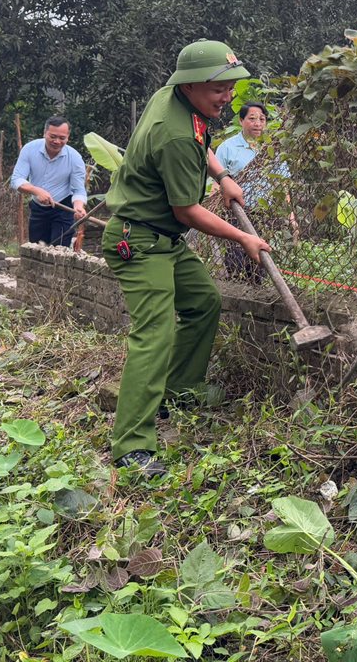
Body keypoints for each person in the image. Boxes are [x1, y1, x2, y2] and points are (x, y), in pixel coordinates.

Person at [101, 40, 271, 479]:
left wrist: (223, 174)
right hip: (138, 241)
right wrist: (243, 239)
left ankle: (177, 393)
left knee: (203, 303)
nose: (228, 97)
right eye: (220, 88)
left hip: (164, 239)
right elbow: (188, 212)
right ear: (193, 83)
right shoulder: (171, 132)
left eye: (232, 87)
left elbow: (202, 142)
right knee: (153, 336)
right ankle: (132, 447)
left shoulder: (178, 98)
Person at [215, 102, 300, 284]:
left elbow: (282, 184)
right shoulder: (227, 148)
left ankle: (256, 291)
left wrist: (290, 215)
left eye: (262, 119)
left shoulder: (271, 149)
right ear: (241, 121)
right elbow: (215, 182)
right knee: (236, 257)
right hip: (235, 213)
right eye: (252, 119)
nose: (257, 123)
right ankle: (236, 292)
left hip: (265, 215)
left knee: (260, 259)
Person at [9, 117, 87, 246]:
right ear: (44, 133)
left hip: (63, 208)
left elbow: (78, 190)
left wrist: (78, 207)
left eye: (62, 138)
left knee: (60, 251)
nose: (57, 141)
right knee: (37, 249)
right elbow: (16, 179)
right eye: (53, 136)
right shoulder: (29, 149)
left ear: (68, 137)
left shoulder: (75, 158)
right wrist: (36, 190)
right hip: (38, 209)